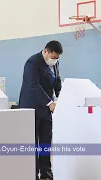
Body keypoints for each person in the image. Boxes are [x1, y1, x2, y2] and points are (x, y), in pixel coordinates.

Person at [19, 40, 63, 180]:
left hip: (47, 110)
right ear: (45, 51)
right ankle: (33, 173)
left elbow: (57, 81)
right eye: (53, 57)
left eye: (57, 58)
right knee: (33, 143)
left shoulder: (55, 64)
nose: (54, 60)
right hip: (31, 107)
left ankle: (46, 172)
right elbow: (33, 85)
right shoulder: (32, 63)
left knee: (45, 141)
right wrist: (49, 102)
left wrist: (62, 98)